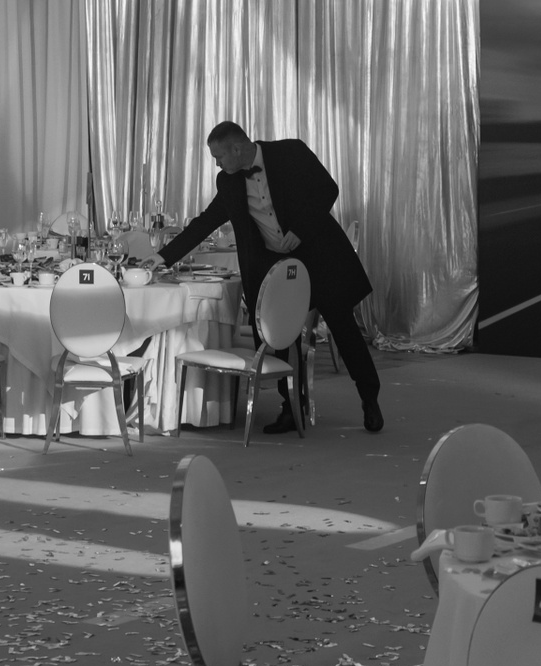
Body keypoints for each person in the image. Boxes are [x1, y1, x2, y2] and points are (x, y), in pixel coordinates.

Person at [158, 121, 382, 434]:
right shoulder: (229, 181)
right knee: (281, 338)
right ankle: (291, 407)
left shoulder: (291, 152)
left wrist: (300, 230)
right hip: (277, 268)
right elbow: (204, 223)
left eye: (219, 156)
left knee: (344, 328)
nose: (217, 164)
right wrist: (162, 258)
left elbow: (327, 189)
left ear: (237, 149)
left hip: (318, 257)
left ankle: (370, 398)